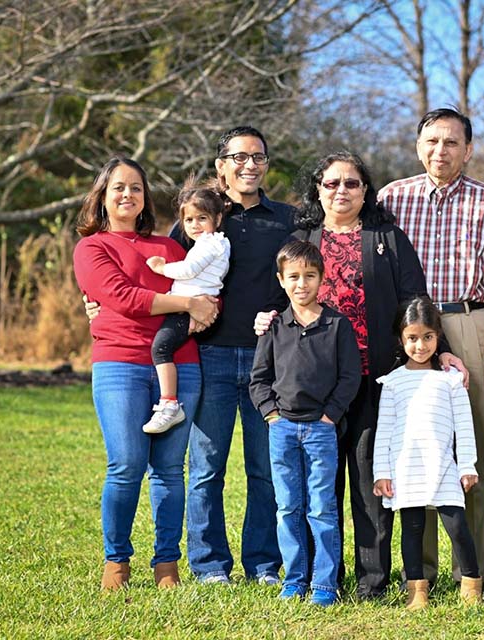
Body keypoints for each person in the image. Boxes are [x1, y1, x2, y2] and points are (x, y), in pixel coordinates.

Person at [254, 151, 464, 599]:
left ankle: (371, 580)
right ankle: (315, 577)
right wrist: (264, 320)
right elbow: (278, 298)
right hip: (311, 389)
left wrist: (440, 351)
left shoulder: (385, 236)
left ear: (365, 191)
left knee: (370, 481)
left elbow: (414, 300)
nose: (341, 191)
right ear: (318, 189)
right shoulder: (302, 239)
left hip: (374, 379)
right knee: (316, 486)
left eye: (351, 183)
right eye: (331, 183)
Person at [379, 108, 484, 584]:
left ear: (468, 149)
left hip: (467, 322)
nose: (441, 151)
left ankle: (471, 570)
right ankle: (423, 571)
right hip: (410, 333)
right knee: (416, 445)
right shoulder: (391, 198)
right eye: (432, 141)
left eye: (452, 142)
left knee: (470, 450)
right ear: (418, 146)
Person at [73, 157, 218, 590]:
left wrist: (200, 308)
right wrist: (186, 305)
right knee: (126, 464)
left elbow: (207, 294)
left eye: (136, 187)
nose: (127, 195)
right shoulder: (91, 247)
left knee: (171, 469)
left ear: (144, 197)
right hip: (120, 364)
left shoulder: (170, 248)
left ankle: (167, 565)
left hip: (182, 365)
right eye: (118, 187)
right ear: (103, 195)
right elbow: (122, 296)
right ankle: (116, 561)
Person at [181, 126, 293, 585]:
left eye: (259, 157)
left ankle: (264, 564)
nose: (250, 165)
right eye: (240, 156)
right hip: (211, 358)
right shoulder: (201, 215)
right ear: (220, 164)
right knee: (207, 469)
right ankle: (209, 566)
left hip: (270, 363)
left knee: (265, 472)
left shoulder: (287, 218)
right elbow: (160, 266)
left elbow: (307, 278)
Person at [249, 241, 361, 607]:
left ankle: (325, 584)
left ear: (321, 278)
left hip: (321, 430)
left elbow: (349, 376)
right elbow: (259, 379)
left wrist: (330, 415)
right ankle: (295, 578)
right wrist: (271, 414)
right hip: (281, 429)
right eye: (293, 277)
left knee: (322, 508)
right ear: (281, 280)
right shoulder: (274, 326)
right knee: (287, 507)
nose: (302, 284)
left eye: (309, 276)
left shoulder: (337, 324)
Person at [373, 296, 482, 609]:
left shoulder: (450, 380)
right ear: (401, 339)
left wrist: (467, 466)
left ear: (438, 336)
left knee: (457, 527)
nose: (420, 345)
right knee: (413, 530)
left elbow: (464, 426)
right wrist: (382, 472)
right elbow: (384, 431)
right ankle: (417, 591)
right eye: (412, 338)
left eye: (428, 337)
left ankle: (472, 586)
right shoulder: (392, 383)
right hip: (406, 469)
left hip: (445, 466)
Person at [142, 182, 231, 434]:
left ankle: (169, 403)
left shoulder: (209, 245)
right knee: (163, 347)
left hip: (186, 311)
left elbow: (188, 270)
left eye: (202, 218)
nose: (194, 225)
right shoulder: (216, 244)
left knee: (160, 347)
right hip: (190, 306)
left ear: (217, 218)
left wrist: (161, 267)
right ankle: (168, 402)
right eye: (189, 219)